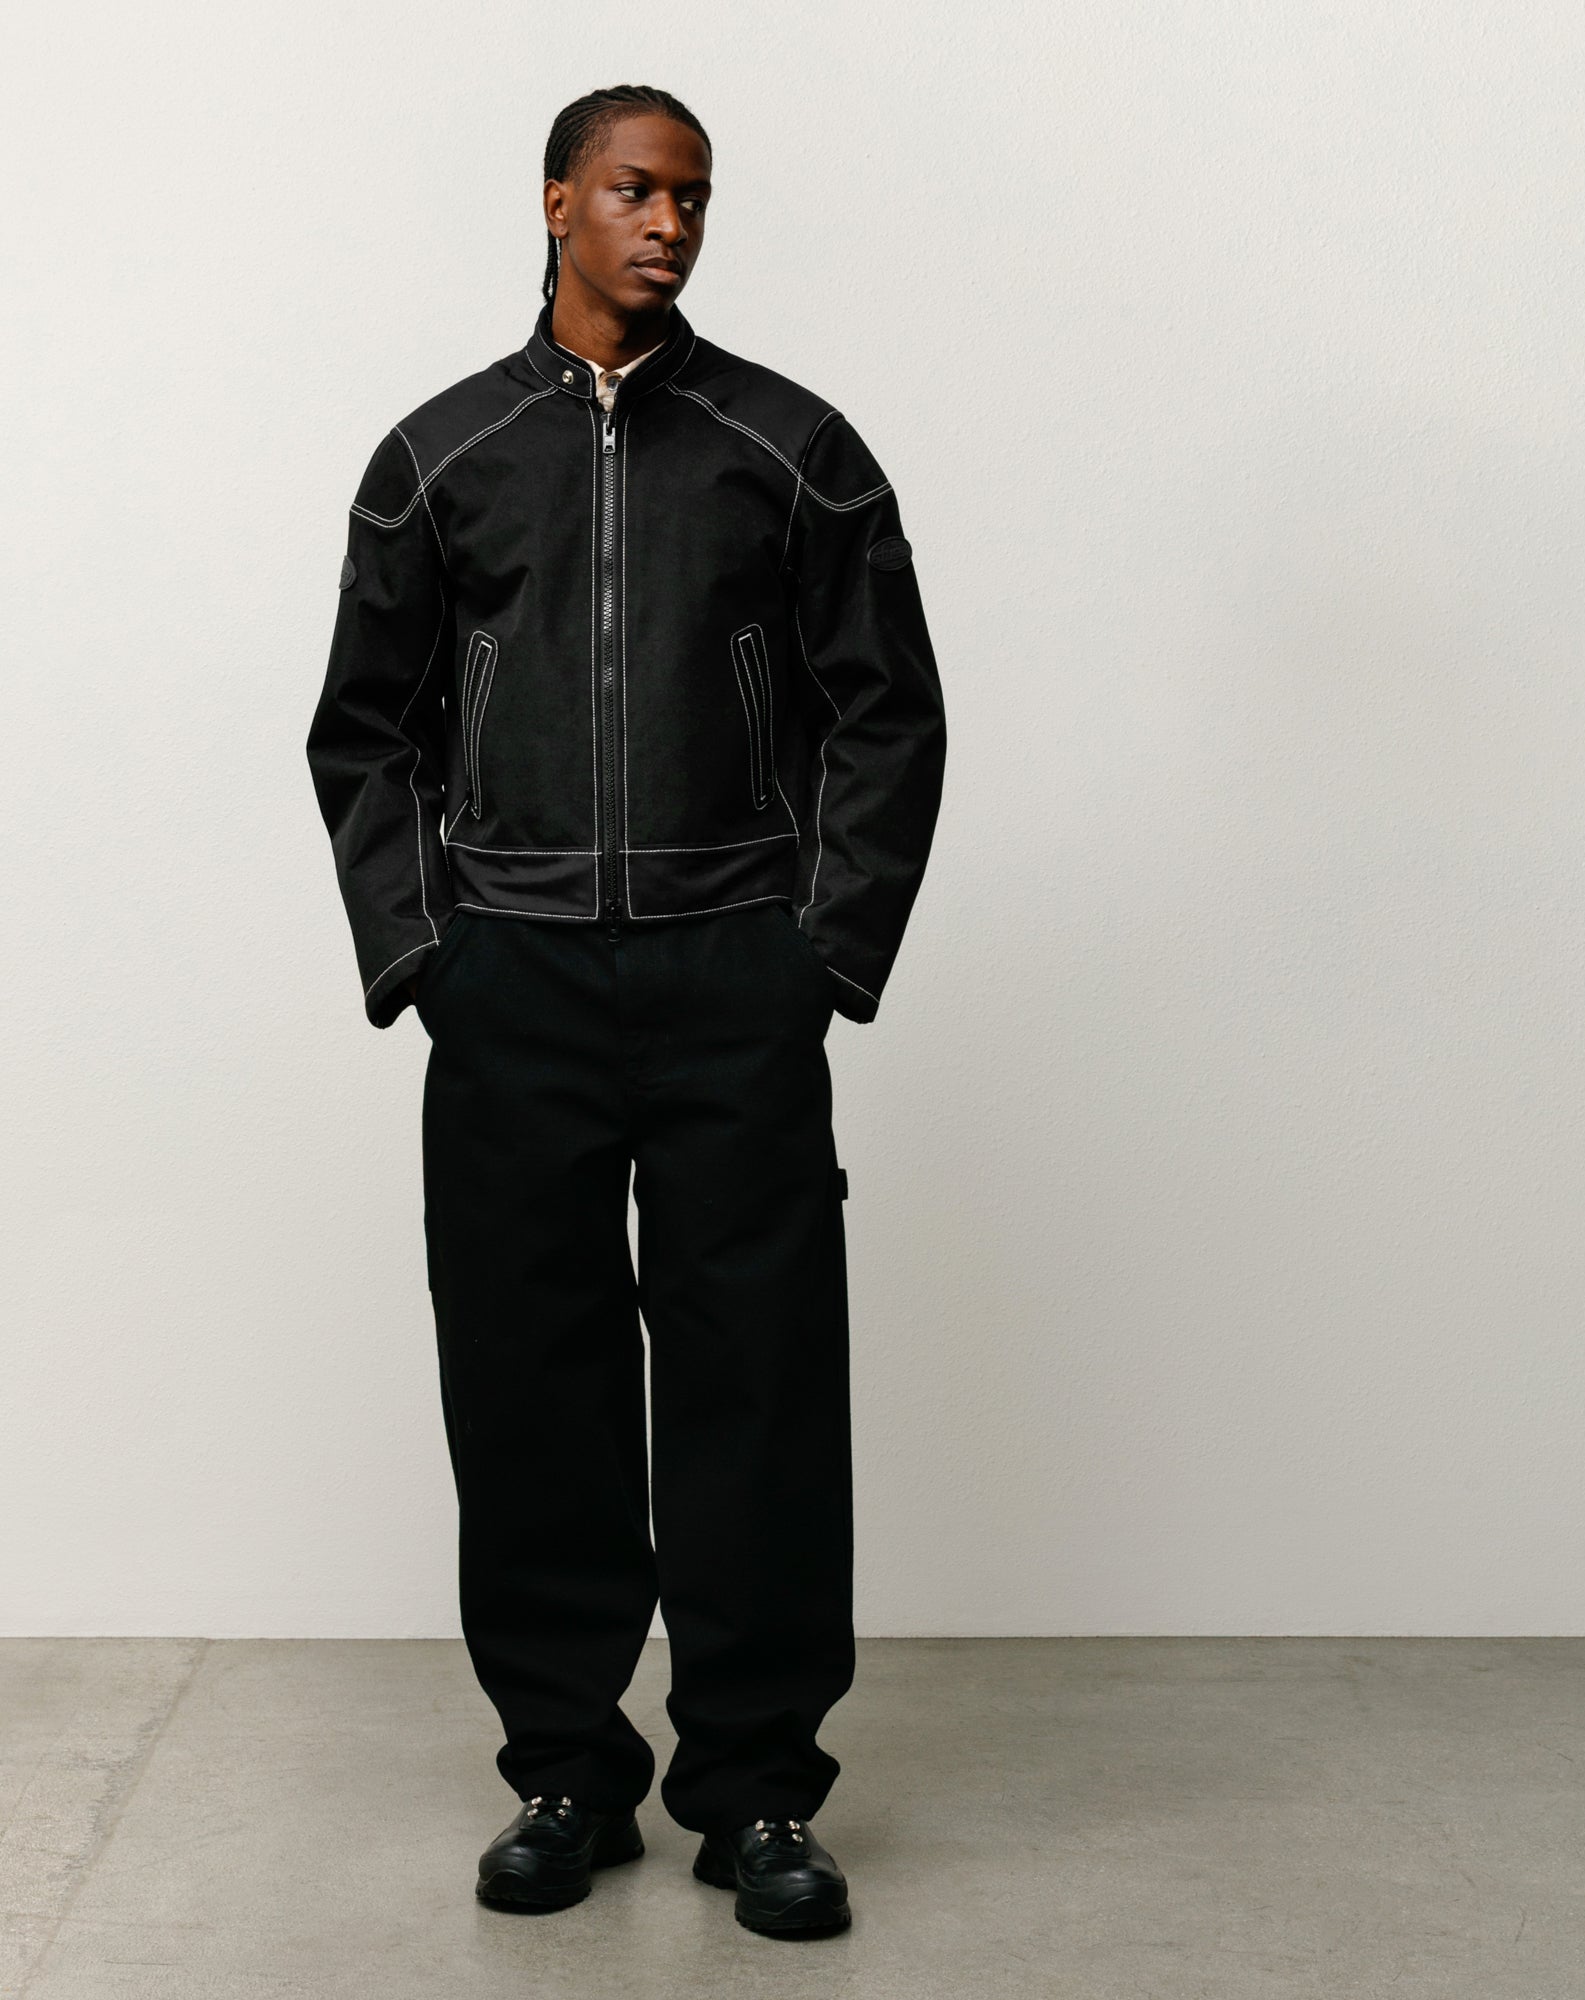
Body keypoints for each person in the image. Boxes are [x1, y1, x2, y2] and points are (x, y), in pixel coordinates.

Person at [305, 83, 945, 1939]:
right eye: (636, 190)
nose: (669, 224)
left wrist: (820, 951)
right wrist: (426, 952)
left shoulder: (790, 448)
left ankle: (758, 1789)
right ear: (557, 202)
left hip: (731, 971)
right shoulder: (441, 456)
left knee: (760, 1385)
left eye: (694, 198)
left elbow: (889, 712)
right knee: (533, 1384)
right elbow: (363, 731)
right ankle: (569, 1771)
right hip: (512, 983)